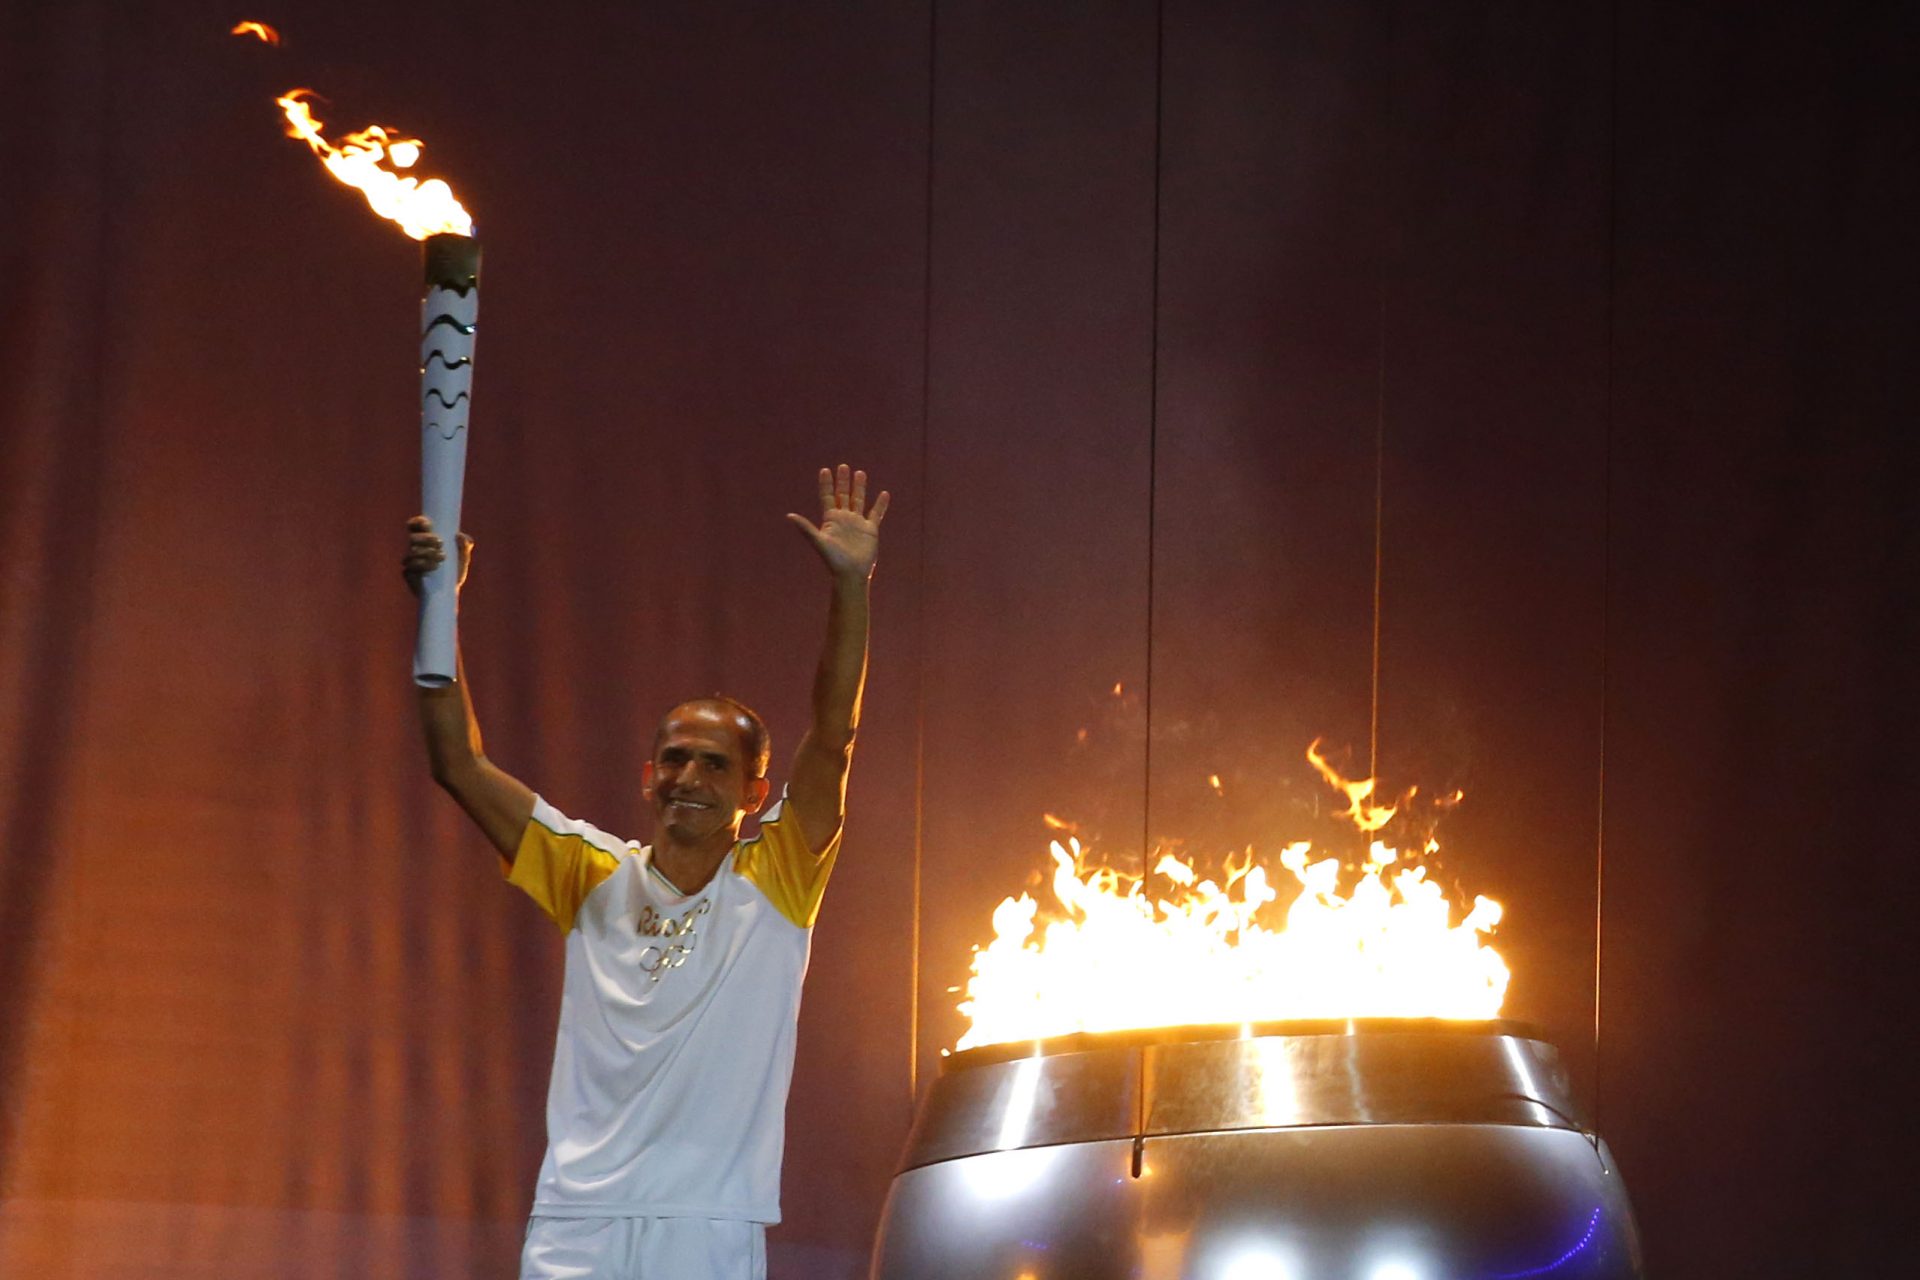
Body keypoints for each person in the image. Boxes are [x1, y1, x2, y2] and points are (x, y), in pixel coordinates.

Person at [402, 464, 889, 1280]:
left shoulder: (778, 879)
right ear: (646, 773)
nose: (688, 779)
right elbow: (458, 762)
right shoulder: (588, 872)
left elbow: (833, 737)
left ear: (752, 792)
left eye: (712, 765)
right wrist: (437, 602)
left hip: (708, 1227)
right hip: (577, 1225)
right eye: (673, 760)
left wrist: (852, 590)